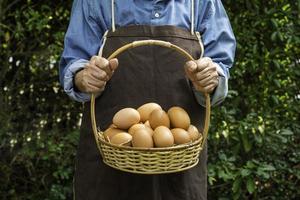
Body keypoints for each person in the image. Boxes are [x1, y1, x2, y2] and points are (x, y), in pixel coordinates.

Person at [59, 0, 236, 199]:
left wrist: (209, 80)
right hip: (109, 161)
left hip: (180, 163)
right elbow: (74, 64)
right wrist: (84, 77)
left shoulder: (203, 3)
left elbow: (220, 67)